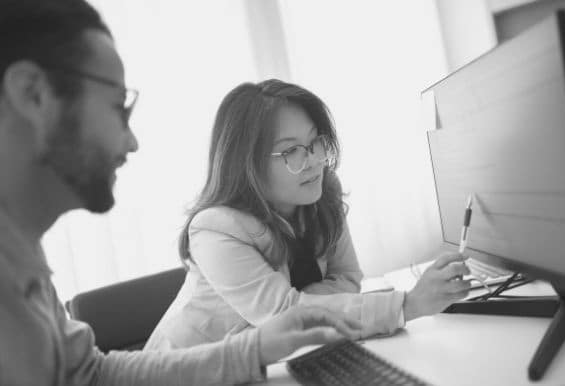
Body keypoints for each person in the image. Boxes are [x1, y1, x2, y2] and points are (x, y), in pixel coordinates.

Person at [0, 1, 364, 385]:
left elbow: (90, 374)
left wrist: (254, 349)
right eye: (117, 108)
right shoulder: (219, 226)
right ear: (33, 94)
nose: (132, 141)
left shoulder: (22, 253)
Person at [145, 79, 472, 350]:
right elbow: (283, 316)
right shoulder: (215, 229)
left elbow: (347, 279)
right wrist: (408, 305)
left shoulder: (321, 190)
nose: (314, 160)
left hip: (278, 360)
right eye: (291, 151)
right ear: (246, 163)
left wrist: (298, 305)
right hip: (185, 371)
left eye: (315, 142)